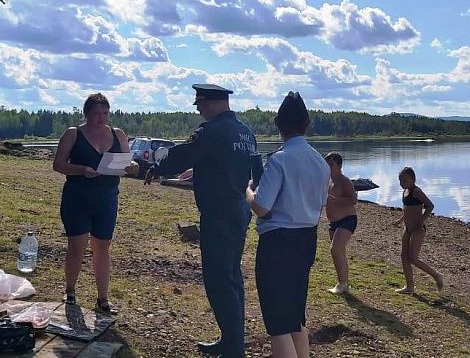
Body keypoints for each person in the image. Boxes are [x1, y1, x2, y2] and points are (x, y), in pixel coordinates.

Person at [144, 83, 261, 358]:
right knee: (231, 277)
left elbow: (184, 155)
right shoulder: (246, 131)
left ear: (210, 103)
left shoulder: (212, 131)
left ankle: (233, 350)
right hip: (239, 209)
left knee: (219, 280)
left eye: (200, 105)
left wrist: (156, 168)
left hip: (219, 213)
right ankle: (231, 339)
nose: (199, 110)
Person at [247, 92, 330, 358]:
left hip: (278, 242)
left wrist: (248, 190)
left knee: (277, 322)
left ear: (278, 124)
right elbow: (320, 204)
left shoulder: (279, 160)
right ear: (306, 124)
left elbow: (262, 206)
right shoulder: (321, 162)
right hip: (307, 238)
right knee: (295, 315)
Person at [52, 93, 139, 314]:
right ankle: (70, 290)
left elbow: (129, 160)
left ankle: (103, 298)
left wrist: (134, 167)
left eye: (105, 113)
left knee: (102, 247)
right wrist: (81, 170)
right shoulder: (73, 134)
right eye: (96, 114)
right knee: (77, 245)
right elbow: (58, 164)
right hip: (77, 196)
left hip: (107, 197)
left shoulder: (118, 134)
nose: (101, 118)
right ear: (87, 114)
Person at [391, 166, 444, 294]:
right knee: (404, 256)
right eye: (400, 180)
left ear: (412, 179)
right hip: (407, 228)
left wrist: (422, 221)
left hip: (418, 229)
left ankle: (437, 276)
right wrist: (399, 220)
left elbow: (430, 206)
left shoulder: (416, 191)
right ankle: (410, 287)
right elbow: (407, 210)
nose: (401, 183)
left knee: (413, 258)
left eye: (404, 180)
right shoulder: (405, 192)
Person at [324, 152, 358, 295]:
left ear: (339, 165)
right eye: (326, 164)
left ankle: (341, 284)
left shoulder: (344, 181)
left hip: (347, 219)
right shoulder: (328, 180)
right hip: (333, 222)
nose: (328, 167)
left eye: (331, 164)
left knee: (335, 249)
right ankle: (344, 284)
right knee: (340, 252)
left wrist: (335, 201)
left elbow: (353, 200)